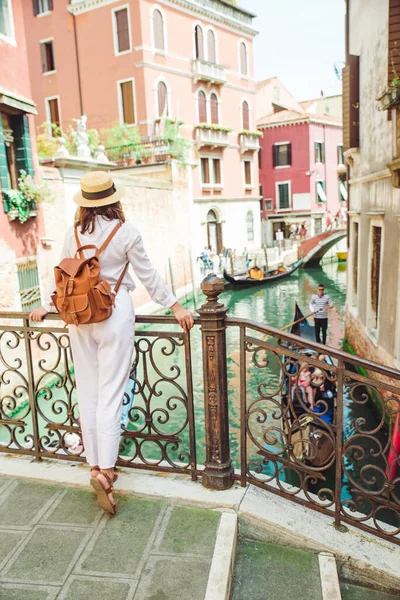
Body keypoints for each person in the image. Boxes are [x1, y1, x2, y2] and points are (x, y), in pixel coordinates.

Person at [29, 171, 194, 515]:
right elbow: (148, 275)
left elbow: (60, 276)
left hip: (77, 317)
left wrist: (47, 306)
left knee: (88, 391)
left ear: (84, 204)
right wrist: (175, 306)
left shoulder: (72, 233)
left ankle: (92, 464)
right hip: (114, 314)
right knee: (112, 393)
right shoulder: (127, 232)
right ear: (113, 200)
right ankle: (106, 470)